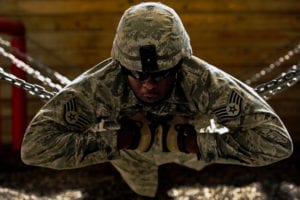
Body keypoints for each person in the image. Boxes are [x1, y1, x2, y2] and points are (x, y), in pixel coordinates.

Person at [21, 2, 293, 197]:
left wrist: (198, 143)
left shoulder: (203, 81)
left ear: (179, 66)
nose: (149, 85)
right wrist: (113, 141)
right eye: (137, 75)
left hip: (190, 142)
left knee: (192, 163)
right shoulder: (101, 84)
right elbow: (35, 148)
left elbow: (276, 143)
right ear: (121, 67)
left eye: (161, 75)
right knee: (145, 192)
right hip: (131, 154)